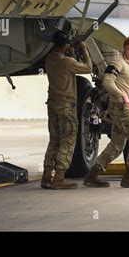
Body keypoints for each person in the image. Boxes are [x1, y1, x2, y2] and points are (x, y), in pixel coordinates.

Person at [84, 36, 129, 188]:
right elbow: (107, 81)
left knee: (117, 145)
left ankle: (92, 175)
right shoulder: (118, 62)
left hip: (125, 106)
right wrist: (123, 95)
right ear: (123, 48)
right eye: (128, 48)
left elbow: (128, 85)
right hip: (120, 107)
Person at [41, 32, 92, 189]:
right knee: (68, 140)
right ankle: (60, 177)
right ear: (65, 45)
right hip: (66, 106)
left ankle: (46, 175)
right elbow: (88, 68)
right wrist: (83, 50)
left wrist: (68, 51)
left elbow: (61, 59)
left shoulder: (49, 59)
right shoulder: (68, 62)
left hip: (53, 105)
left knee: (54, 141)